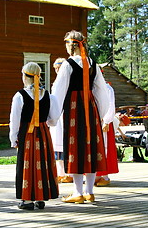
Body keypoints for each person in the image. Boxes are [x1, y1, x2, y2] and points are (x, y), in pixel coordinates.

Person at [52, 30, 109, 204]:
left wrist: (53, 115)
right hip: (90, 108)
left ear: (71, 45)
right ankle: (89, 192)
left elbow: (59, 90)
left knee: (75, 147)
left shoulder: (68, 65)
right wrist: (102, 112)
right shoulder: (93, 64)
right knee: (90, 147)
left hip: (75, 108)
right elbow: (101, 91)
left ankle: (78, 192)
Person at [9, 62, 60, 210]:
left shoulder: (20, 96)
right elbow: (54, 119)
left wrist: (13, 138)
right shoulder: (48, 95)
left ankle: (27, 199)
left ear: (25, 76)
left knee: (27, 164)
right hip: (43, 132)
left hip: (27, 133)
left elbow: (15, 120)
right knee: (43, 162)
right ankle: (40, 197)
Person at [49, 58, 73, 183]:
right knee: (57, 147)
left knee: (66, 146)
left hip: (65, 116)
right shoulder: (56, 82)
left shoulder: (68, 81)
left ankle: (69, 173)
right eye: (55, 69)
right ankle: (60, 173)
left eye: (58, 68)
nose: (57, 70)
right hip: (56, 119)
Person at [95, 81, 118, 187]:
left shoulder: (107, 88)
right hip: (94, 120)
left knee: (104, 148)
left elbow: (110, 105)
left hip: (103, 121)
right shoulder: (91, 86)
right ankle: (96, 174)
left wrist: (107, 121)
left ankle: (105, 176)